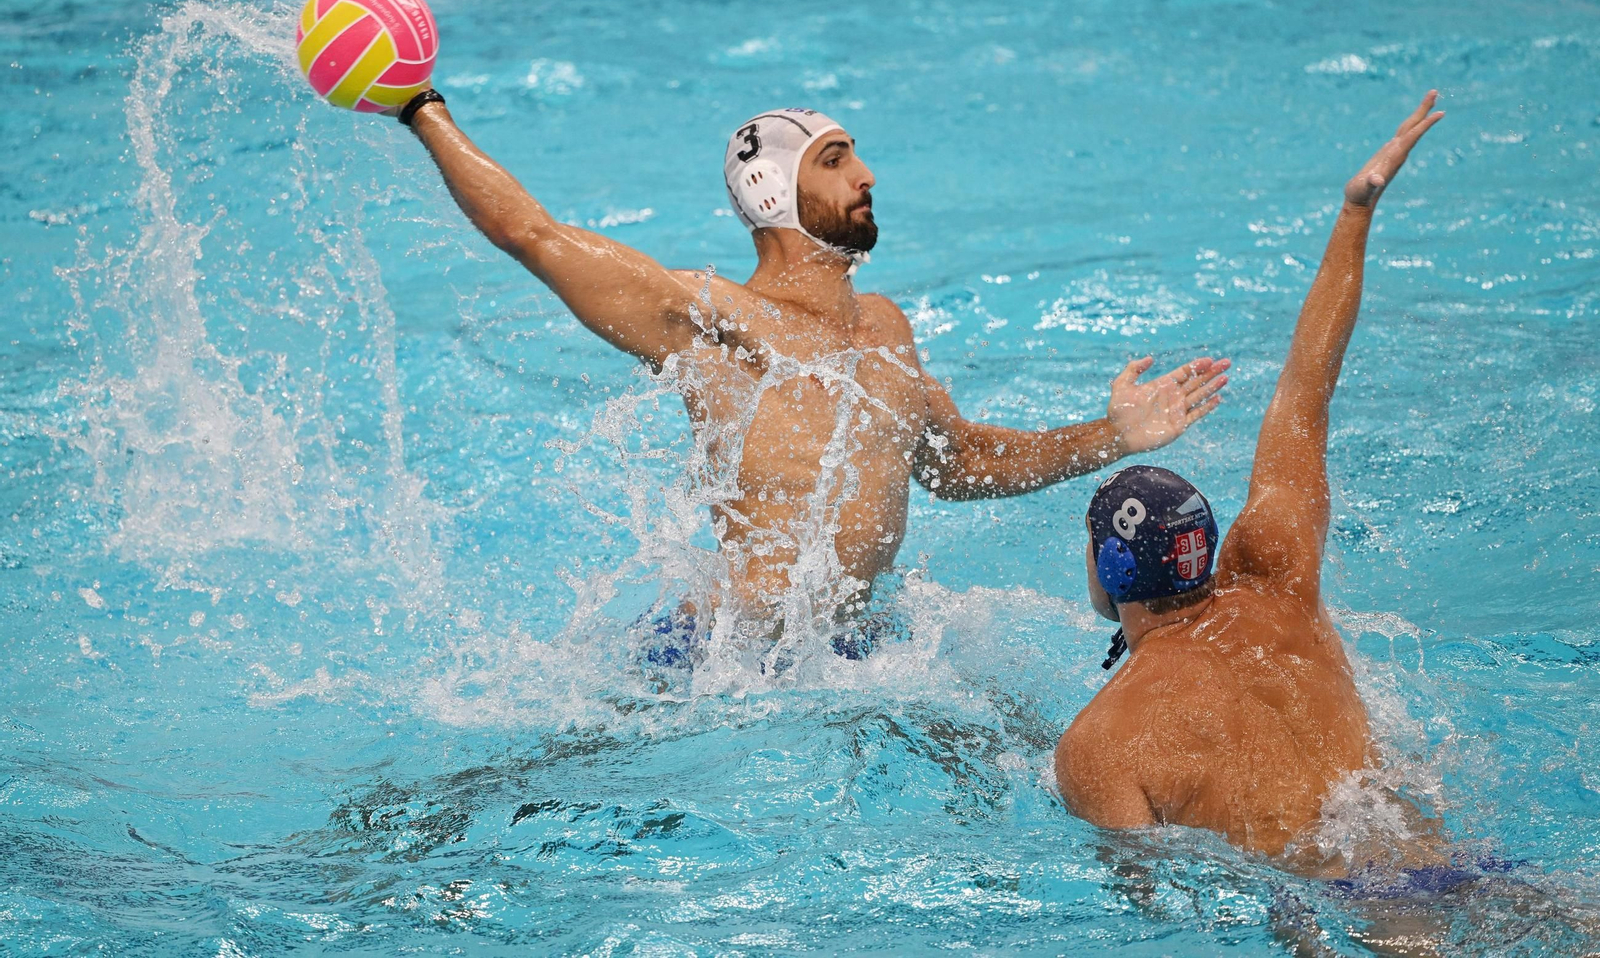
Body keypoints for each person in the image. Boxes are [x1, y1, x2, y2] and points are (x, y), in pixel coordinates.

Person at [391, 92, 1229, 653]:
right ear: (771, 191)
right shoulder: (712, 323)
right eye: (835, 159)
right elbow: (532, 235)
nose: (866, 175)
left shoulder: (885, 328)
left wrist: (1112, 435)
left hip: (846, 648)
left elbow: (959, 461)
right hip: (721, 659)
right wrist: (422, 109)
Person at [1054, 91, 1446, 869]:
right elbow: (1306, 392)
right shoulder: (1278, 578)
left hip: (1337, 906)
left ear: (1105, 571)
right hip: (1444, 860)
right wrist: (1354, 213)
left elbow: (1157, 912)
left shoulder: (1097, 747)